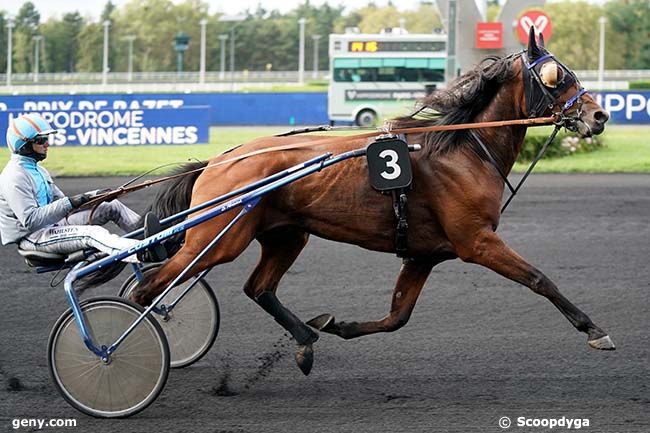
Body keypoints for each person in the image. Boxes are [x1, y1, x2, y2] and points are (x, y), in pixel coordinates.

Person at [0, 113, 164, 263]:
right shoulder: (14, 176)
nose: (47, 144)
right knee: (92, 233)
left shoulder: (39, 171)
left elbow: (63, 203)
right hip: (34, 238)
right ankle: (140, 253)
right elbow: (31, 221)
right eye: (40, 140)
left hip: (53, 226)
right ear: (24, 145)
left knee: (110, 206)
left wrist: (95, 196)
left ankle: (158, 240)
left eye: (46, 139)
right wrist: (72, 202)